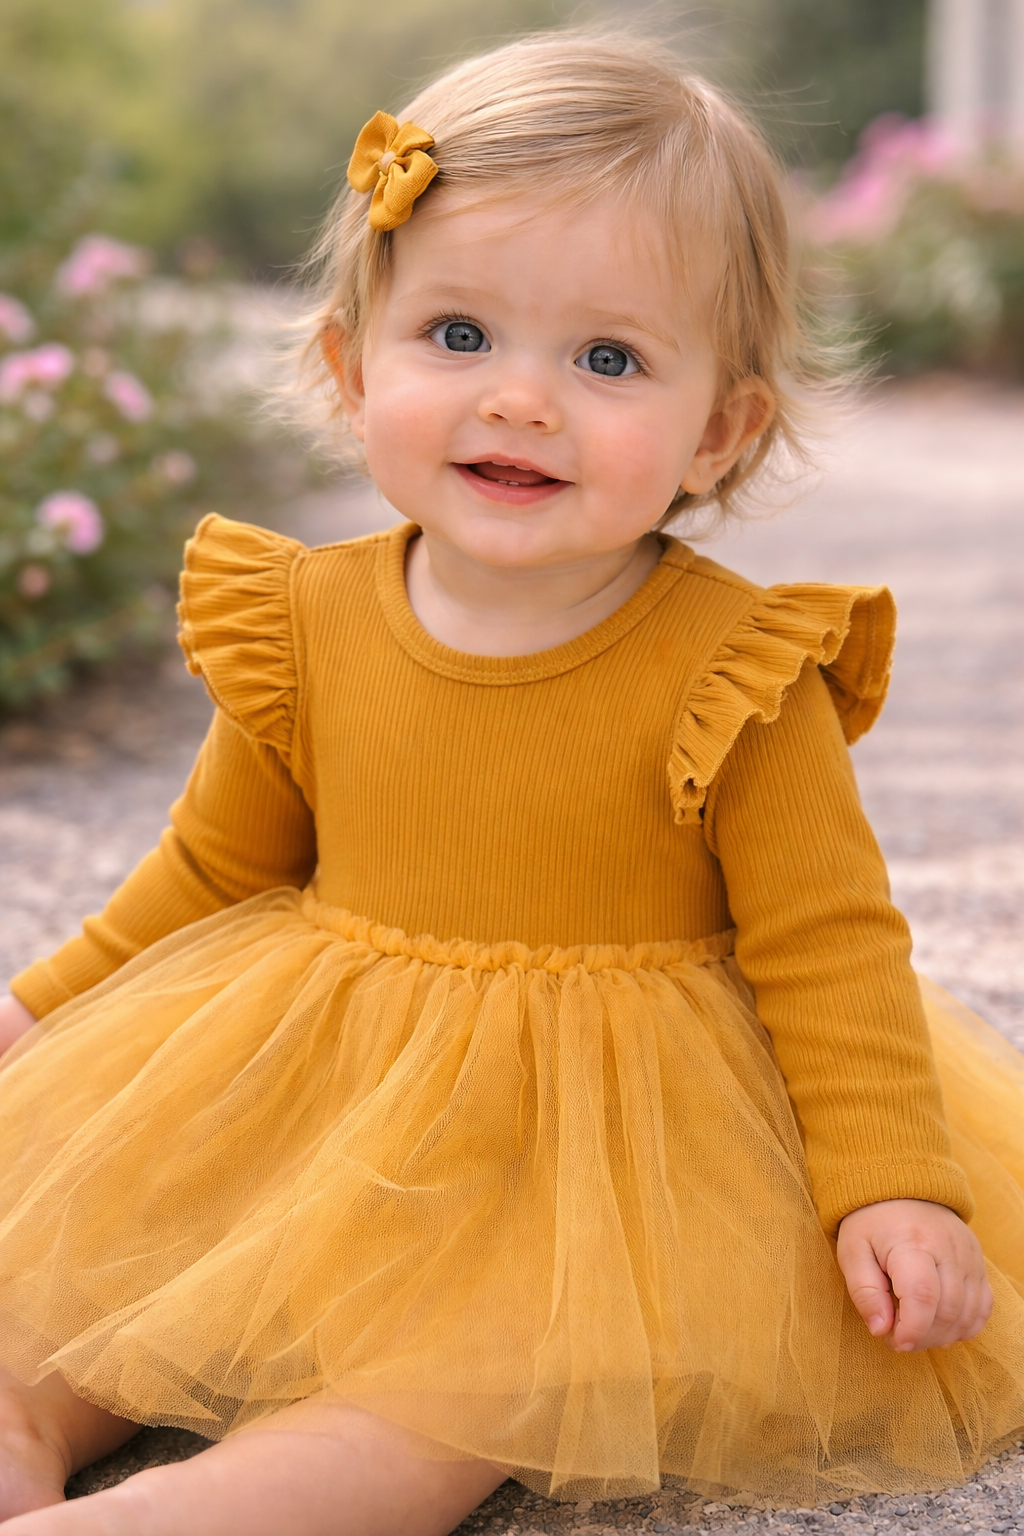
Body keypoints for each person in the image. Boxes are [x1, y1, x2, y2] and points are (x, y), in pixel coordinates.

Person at [0, 30, 1021, 1536]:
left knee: (451, 1400)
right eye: (459, 335)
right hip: (318, 1087)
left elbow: (831, 946)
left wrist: (890, 1182)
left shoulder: (740, 671)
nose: (522, 400)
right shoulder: (305, 623)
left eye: (608, 360)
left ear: (719, 427)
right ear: (354, 365)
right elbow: (217, 866)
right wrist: (45, 1003)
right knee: (86, 1273)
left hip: (593, 1155)